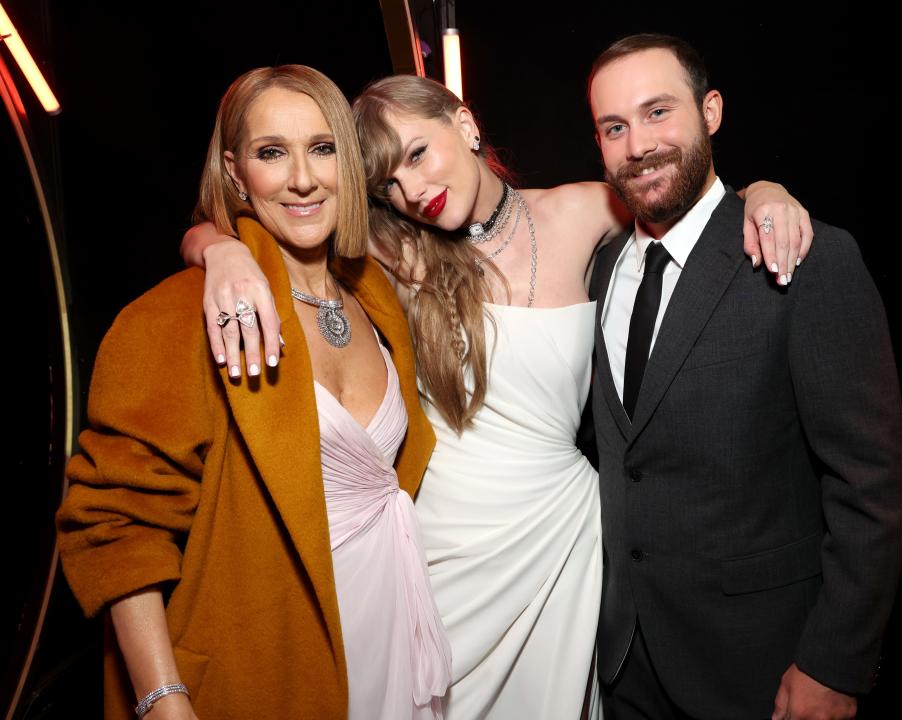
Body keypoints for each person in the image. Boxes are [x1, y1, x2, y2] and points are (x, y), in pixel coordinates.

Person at [182, 74, 811, 719]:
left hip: (559, 540)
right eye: (389, 185)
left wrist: (767, 192)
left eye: (418, 154)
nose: (414, 191)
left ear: (465, 123)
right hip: (440, 546)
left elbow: (692, 204)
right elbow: (227, 223)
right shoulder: (387, 248)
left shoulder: (586, 210)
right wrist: (222, 252)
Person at [56, 65, 450, 720]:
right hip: (268, 662)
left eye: (322, 148)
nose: (303, 178)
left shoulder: (376, 296)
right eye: (273, 153)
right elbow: (114, 524)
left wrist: (214, 244)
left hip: (392, 630)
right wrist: (162, 700)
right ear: (236, 172)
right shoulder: (178, 316)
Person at [587, 34, 902, 720]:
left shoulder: (805, 258)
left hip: (761, 669)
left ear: (711, 111)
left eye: (657, 113)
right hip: (621, 666)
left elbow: (871, 484)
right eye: (614, 127)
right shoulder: (597, 267)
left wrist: (835, 662)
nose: (637, 144)